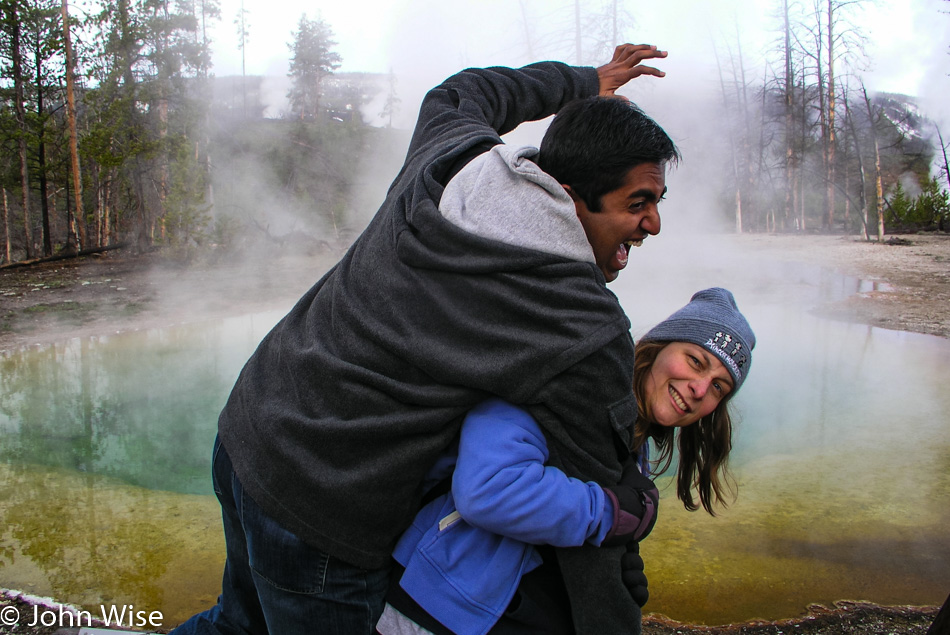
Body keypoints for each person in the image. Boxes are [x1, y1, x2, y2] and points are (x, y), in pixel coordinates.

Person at [170, 44, 678, 635]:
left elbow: (465, 90)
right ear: (567, 192)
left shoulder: (451, 158)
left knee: (237, 626)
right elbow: (597, 478)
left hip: (249, 427)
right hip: (324, 503)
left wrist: (583, 79)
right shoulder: (579, 320)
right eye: (637, 203)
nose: (654, 225)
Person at [376, 287, 755, 635]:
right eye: (696, 361)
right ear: (657, 348)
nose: (700, 388)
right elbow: (490, 491)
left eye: (719, 386)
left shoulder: (633, 439)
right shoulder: (567, 382)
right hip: (437, 607)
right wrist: (611, 514)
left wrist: (615, 564)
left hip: (507, 613)